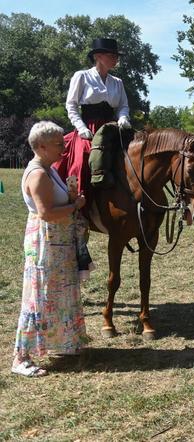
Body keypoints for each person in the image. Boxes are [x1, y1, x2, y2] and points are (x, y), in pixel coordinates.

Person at [12, 121, 88, 377]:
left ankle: (62, 342)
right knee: (39, 296)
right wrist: (75, 205)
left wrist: (71, 195)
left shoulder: (50, 169)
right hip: (45, 242)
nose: (64, 149)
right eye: (59, 144)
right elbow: (45, 213)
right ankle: (21, 357)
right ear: (41, 147)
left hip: (58, 242)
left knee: (58, 295)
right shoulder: (38, 174)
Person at [54, 37, 131, 275]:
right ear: (98, 56)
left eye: (116, 55)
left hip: (112, 129)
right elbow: (72, 105)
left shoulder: (117, 82)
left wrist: (123, 118)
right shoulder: (82, 76)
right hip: (88, 129)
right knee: (80, 160)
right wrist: (81, 128)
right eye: (111, 55)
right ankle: (80, 209)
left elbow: (123, 106)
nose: (115, 58)